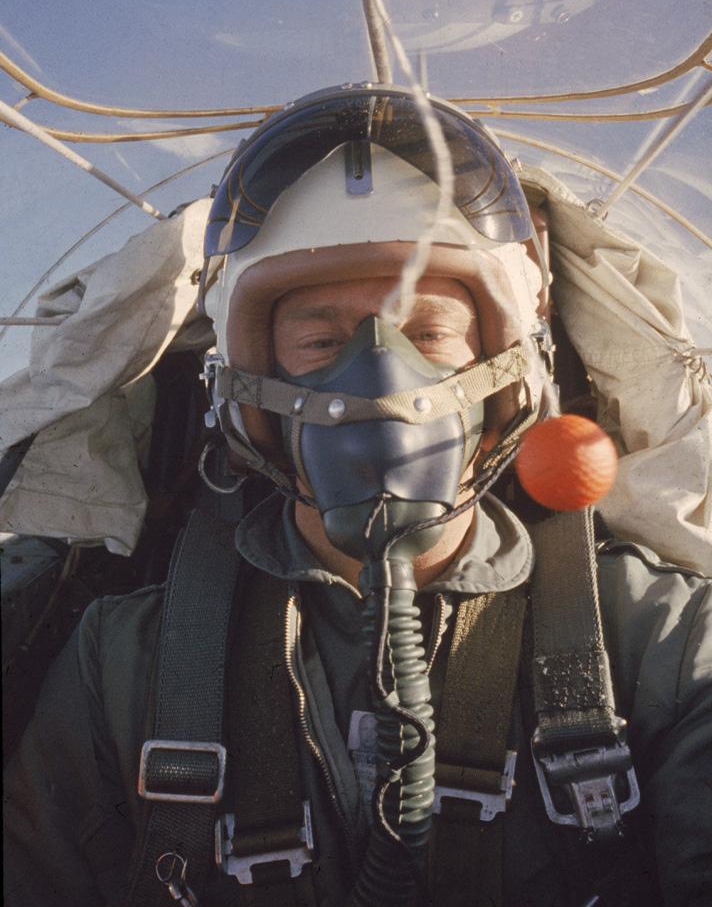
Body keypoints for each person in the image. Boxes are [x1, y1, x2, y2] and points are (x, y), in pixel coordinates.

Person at [3, 85, 710, 907]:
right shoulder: (122, 667)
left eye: (430, 334)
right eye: (320, 342)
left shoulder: (661, 642)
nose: (380, 382)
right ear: (246, 388)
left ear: (510, 375)